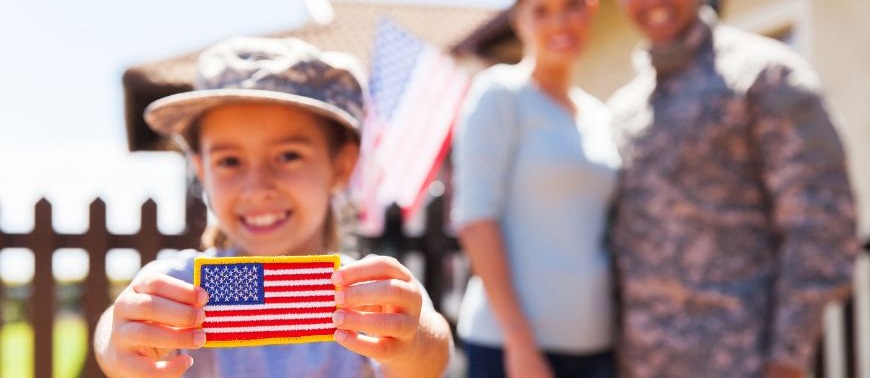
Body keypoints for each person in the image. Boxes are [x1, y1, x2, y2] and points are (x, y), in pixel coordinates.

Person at [92, 36, 452, 378]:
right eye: (230, 161)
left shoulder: (366, 293)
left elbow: (429, 361)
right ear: (201, 170)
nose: (258, 187)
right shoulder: (185, 286)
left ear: (341, 166)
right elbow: (117, 325)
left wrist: (413, 340)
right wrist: (119, 344)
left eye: (288, 156)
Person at [608, 1, 861, 377]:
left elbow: (821, 217)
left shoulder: (762, 75)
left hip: (741, 360)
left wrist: (789, 356)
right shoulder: (624, 108)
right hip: (640, 363)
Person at [452, 0, 620, 377]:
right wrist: (519, 341)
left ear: (591, 11)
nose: (559, 21)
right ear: (520, 22)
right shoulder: (500, 95)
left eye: (572, 6)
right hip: (511, 348)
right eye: (541, 10)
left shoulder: (600, 116)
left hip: (595, 344)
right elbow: (475, 219)